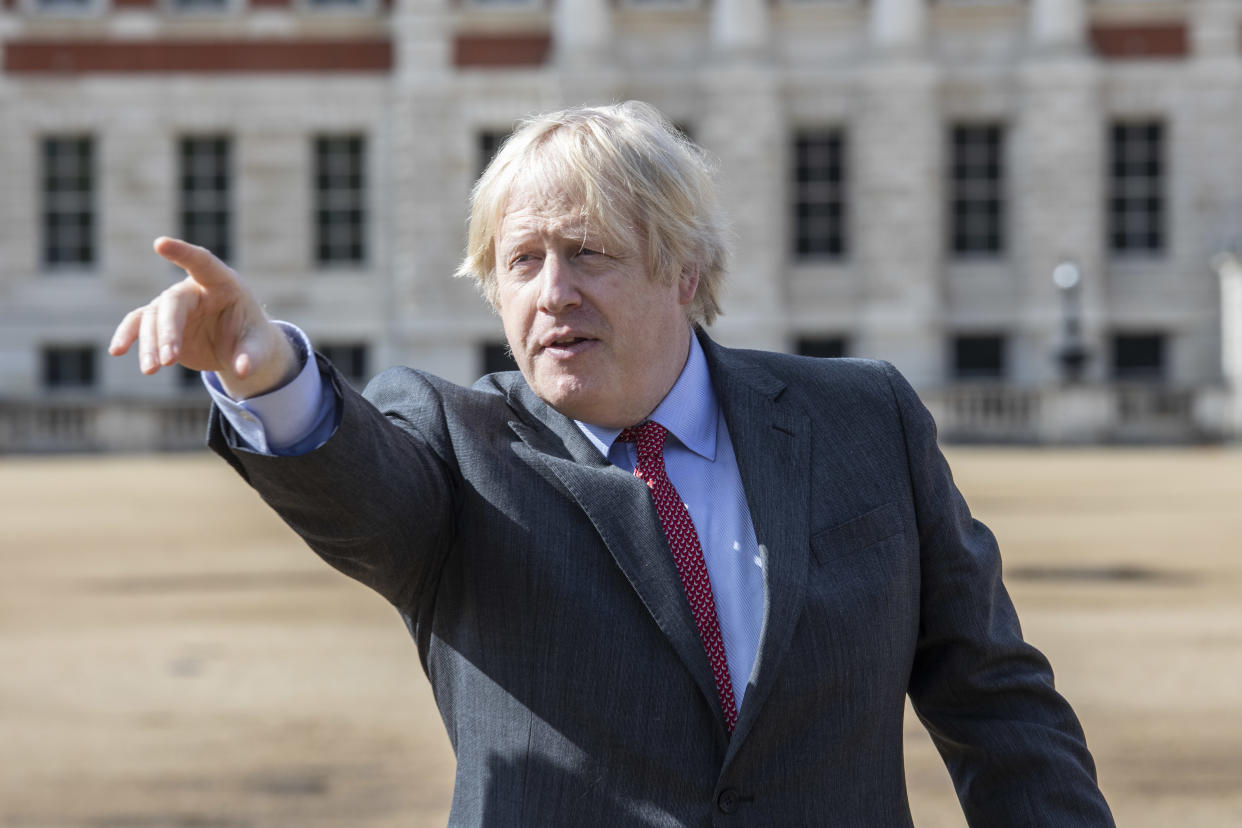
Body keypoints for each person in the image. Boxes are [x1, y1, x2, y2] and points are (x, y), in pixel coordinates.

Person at [110, 101, 1114, 826]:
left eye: (587, 254)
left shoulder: (863, 420)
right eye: (520, 261)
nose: (551, 293)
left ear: (685, 272)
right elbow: (361, 488)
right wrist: (270, 373)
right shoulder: (458, 444)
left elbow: (995, 700)